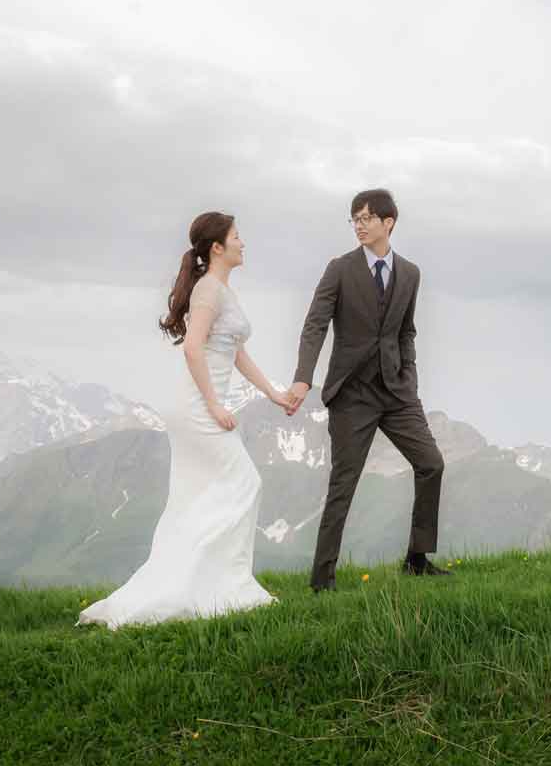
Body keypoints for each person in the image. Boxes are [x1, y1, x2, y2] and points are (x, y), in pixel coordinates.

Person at [78, 211, 302, 629]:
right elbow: (192, 349)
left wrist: (274, 394)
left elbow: (234, 352)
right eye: (237, 236)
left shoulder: (222, 291)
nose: (243, 243)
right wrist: (216, 405)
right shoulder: (208, 291)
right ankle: (219, 587)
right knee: (243, 482)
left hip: (202, 402)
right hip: (196, 406)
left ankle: (213, 584)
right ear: (217, 247)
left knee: (201, 495)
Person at [291, 188, 448, 592]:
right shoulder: (339, 269)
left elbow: (406, 331)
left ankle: (416, 559)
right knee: (344, 484)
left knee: (431, 464)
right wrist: (303, 377)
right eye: (354, 219)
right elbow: (315, 325)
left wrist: (408, 378)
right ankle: (321, 581)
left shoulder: (410, 273)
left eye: (366, 218)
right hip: (352, 395)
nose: (359, 226)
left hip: (397, 393)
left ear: (388, 222)